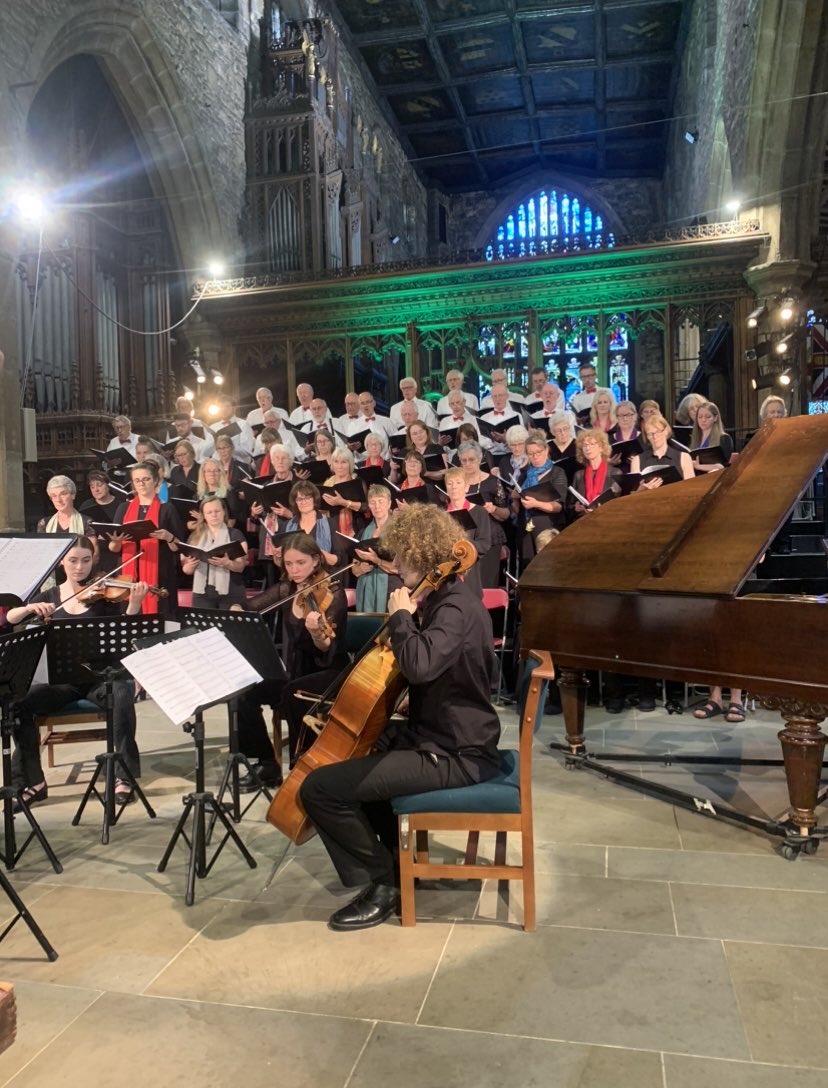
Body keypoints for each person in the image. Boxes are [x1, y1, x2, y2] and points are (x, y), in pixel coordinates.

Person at [299, 503, 501, 931]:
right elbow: (448, 674)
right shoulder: (448, 600)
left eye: (402, 556)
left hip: (455, 752)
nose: (396, 565)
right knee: (366, 749)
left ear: (423, 555)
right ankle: (395, 864)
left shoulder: (454, 608)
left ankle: (384, 882)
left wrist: (403, 617)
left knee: (321, 789)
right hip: (440, 733)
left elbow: (421, 665)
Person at [6, 536, 149, 808]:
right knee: (17, 705)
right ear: (62, 561)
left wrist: (134, 605)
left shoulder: (104, 597)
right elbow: (10, 618)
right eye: (73, 560)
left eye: (85, 560)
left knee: (121, 693)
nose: (79, 567)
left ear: (93, 560)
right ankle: (34, 781)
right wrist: (27, 608)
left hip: (99, 679)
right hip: (63, 682)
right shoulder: (49, 597)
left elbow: (122, 636)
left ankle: (123, 777)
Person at [238, 533, 350, 785]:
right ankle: (266, 763)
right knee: (245, 692)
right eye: (289, 564)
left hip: (328, 673)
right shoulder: (286, 589)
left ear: (315, 561)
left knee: (293, 693)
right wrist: (236, 611)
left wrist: (315, 632)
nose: (294, 569)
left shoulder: (334, 592)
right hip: (294, 672)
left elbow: (326, 648)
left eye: (300, 563)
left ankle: (302, 767)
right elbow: (250, 607)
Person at [105, 459, 184, 613]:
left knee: (162, 620)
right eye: (137, 480)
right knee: (131, 622)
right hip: (128, 578)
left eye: (146, 479)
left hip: (160, 574)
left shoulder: (167, 509)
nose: (141, 483)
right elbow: (114, 549)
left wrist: (169, 537)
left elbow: (178, 547)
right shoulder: (123, 508)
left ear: (156, 481)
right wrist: (116, 542)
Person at [456, 440, 509, 587]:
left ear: (480, 459)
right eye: (464, 460)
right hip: (464, 538)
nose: (468, 463)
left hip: (489, 537)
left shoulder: (492, 481)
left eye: (471, 459)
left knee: (486, 585)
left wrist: (494, 509)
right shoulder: (457, 483)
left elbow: (506, 514)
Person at [180, 496, 248, 609]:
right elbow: (186, 570)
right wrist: (190, 566)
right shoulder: (195, 536)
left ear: (224, 512)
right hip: (201, 593)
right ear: (204, 516)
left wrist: (227, 563)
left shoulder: (235, 534)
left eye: (217, 511)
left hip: (231, 592)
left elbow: (241, 566)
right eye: (209, 512)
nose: (214, 515)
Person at [513, 430, 567, 559]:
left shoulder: (556, 472)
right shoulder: (524, 475)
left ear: (546, 450)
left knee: (547, 562)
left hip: (547, 526)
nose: (535, 457)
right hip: (526, 526)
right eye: (531, 454)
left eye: (538, 452)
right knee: (527, 563)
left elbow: (558, 506)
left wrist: (536, 504)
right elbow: (517, 508)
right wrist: (514, 497)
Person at [443, 466, 491, 597]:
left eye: (458, 483)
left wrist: (463, 545)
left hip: (470, 574)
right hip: (446, 574)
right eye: (450, 483)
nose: (454, 487)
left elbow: (485, 544)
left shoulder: (479, 512)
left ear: (467, 487)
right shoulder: (441, 514)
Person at [353, 484, 400, 610]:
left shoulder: (399, 530)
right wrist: (360, 568)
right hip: (366, 587)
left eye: (381, 501)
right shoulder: (363, 532)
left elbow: (400, 569)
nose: (377, 506)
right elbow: (354, 568)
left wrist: (377, 561)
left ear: (389, 504)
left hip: (391, 590)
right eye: (372, 502)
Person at [569, 429, 623, 518]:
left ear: (601, 447)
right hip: (584, 521)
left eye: (592, 444)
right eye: (585, 445)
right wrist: (576, 508)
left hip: (609, 520)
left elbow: (621, 502)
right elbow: (570, 505)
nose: (588, 448)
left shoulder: (615, 473)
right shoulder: (579, 475)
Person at [629, 415, 695, 488]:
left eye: (658, 432)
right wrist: (643, 489)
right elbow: (633, 492)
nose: (655, 437)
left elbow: (690, 488)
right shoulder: (637, 460)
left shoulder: (684, 457)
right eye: (650, 434)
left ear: (666, 431)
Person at [282, 481, 337, 567]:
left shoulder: (331, 523)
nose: (304, 502)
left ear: (315, 499)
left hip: (323, 575)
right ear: (295, 502)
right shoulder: (287, 526)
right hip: (297, 575)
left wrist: (315, 552)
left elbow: (338, 560)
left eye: (308, 498)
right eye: (299, 499)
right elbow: (283, 563)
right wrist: (278, 556)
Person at [37, 475, 96, 541]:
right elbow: (42, 549)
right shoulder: (44, 523)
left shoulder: (87, 522)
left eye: (63, 494)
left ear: (73, 495)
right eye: (54, 496)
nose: (58, 500)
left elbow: (94, 551)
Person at [690, 401, 733, 471]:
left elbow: (723, 466)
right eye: (700, 417)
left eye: (708, 417)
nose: (703, 420)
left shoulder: (724, 438)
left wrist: (698, 466)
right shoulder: (696, 438)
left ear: (715, 418)